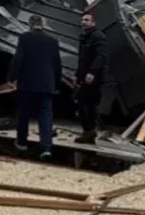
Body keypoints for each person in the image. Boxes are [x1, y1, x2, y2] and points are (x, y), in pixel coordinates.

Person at [6, 14, 62, 159]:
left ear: (30, 24)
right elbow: (57, 64)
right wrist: (56, 84)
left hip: (28, 82)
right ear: (42, 25)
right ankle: (46, 148)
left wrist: (12, 77)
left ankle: (22, 142)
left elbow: (18, 58)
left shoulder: (25, 38)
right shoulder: (53, 41)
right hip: (47, 84)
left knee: (24, 113)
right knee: (46, 115)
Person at [73, 11, 109, 144]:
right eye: (82, 20)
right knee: (84, 103)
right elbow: (82, 59)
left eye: (87, 20)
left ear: (94, 23)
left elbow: (101, 56)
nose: (83, 22)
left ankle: (89, 131)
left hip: (94, 77)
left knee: (86, 103)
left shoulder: (98, 36)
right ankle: (89, 131)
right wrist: (77, 75)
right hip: (85, 75)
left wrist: (93, 72)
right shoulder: (84, 37)